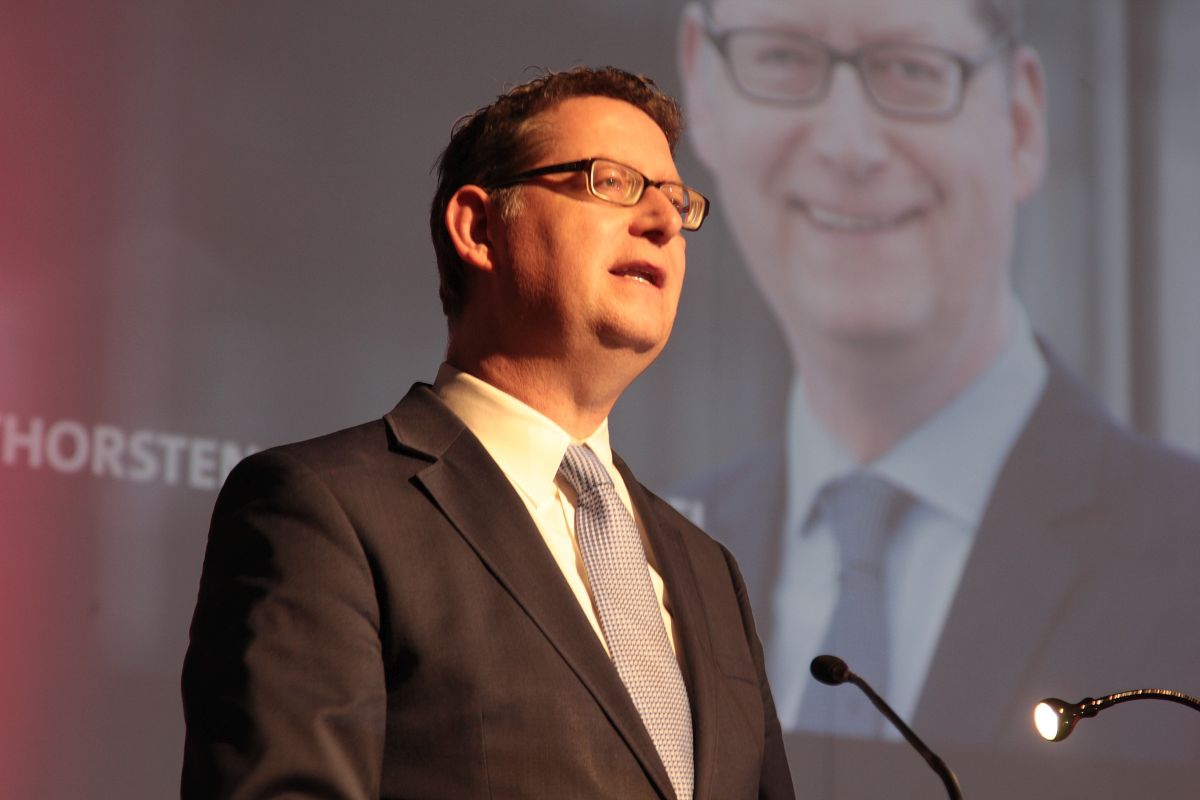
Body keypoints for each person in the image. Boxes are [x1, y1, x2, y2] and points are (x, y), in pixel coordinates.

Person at [180, 67, 794, 799]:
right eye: (613, 182)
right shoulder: (324, 510)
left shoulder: (711, 572)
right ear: (477, 228)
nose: (663, 222)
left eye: (676, 199)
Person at [676, 0, 1200, 758]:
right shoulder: (652, 555)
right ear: (702, 84)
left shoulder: (1185, 559)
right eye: (783, 58)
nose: (848, 146)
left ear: (1020, 121)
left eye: (911, 69)